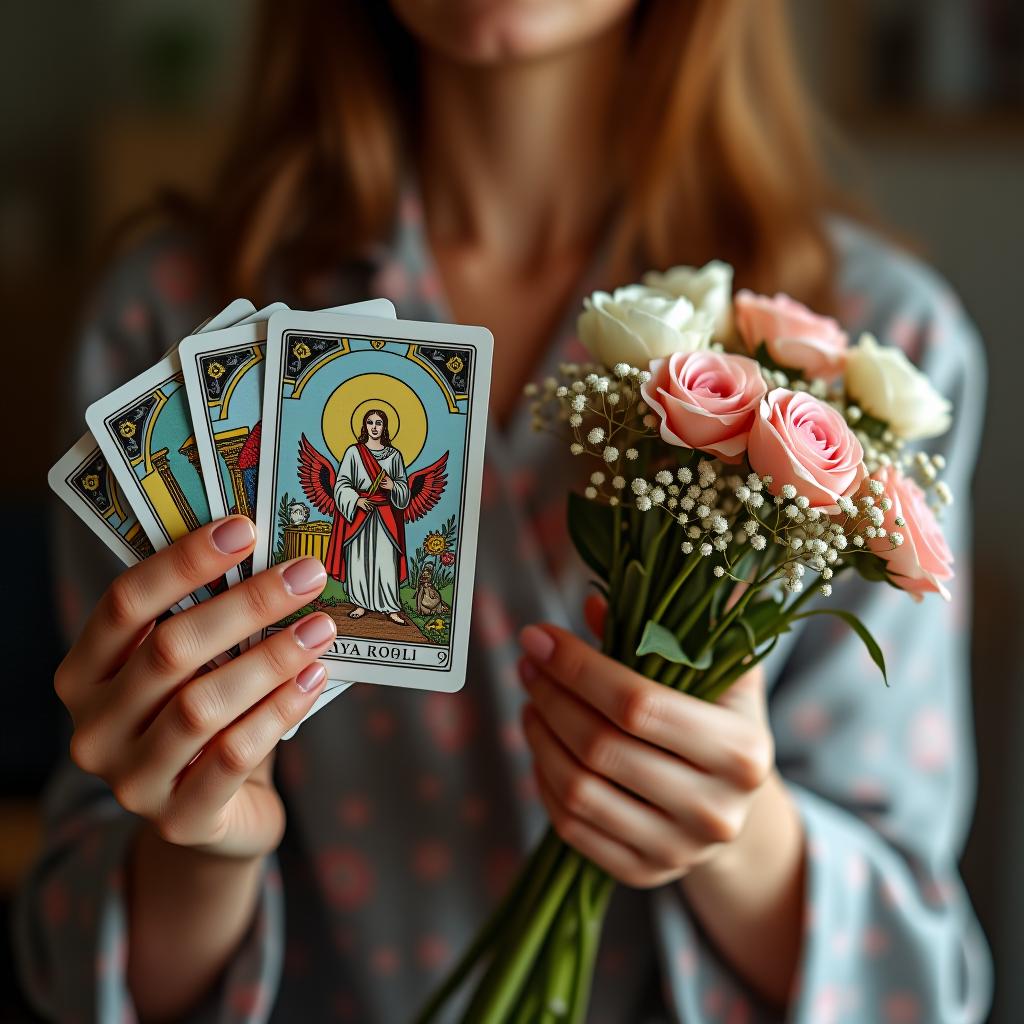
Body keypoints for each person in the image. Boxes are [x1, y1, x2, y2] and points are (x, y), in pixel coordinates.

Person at [16, 1, 992, 1022]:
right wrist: (205, 838)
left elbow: (918, 989)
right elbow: (74, 965)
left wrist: (740, 837)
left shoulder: (876, 354)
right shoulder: (170, 321)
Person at [334, 409, 411, 625]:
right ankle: (360, 603)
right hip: (361, 513)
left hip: (385, 516)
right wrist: (356, 500)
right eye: (370, 422)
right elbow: (341, 484)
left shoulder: (394, 456)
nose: (374, 427)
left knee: (386, 562)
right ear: (364, 426)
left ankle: (391, 607)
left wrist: (393, 485)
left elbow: (404, 489)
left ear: (384, 427)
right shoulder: (353, 453)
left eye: (379, 423)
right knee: (358, 559)